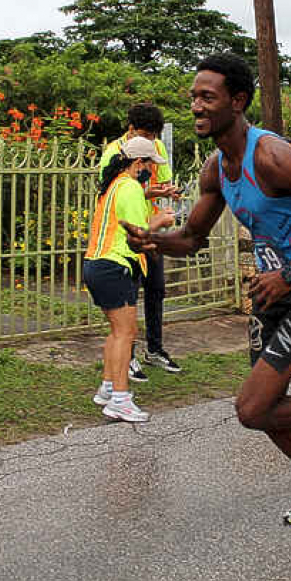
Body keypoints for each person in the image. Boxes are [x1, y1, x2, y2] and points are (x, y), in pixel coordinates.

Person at [122, 53, 291, 525]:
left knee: (251, 408)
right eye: (193, 96)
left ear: (237, 101)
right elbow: (193, 238)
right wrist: (153, 240)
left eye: (207, 97)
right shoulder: (216, 169)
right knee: (267, 407)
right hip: (273, 293)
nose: (196, 106)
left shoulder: (273, 156)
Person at [84, 136, 175, 422]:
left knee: (116, 331)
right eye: (150, 164)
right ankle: (121, 399)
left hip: (96, 265)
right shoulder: (131, 188)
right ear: (139, 163)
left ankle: (109, 387)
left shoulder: (114, 185)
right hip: (116, 265)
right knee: (126, 332)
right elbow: (139, 232)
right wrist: (161, 221)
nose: (152, 170)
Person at [98, 103, 183, 378]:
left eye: (154, 137)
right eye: (146, 135)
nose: (151, 143)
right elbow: (112, 193)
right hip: (128, 237)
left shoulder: (156, 147)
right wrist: (151, 207)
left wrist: (166, 191)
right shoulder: (113, 153)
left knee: (156, 290)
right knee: (128, 298)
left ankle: (154, 350)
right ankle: (128, 357)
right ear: (131, 129)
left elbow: (159, 181)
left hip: (151, 232)